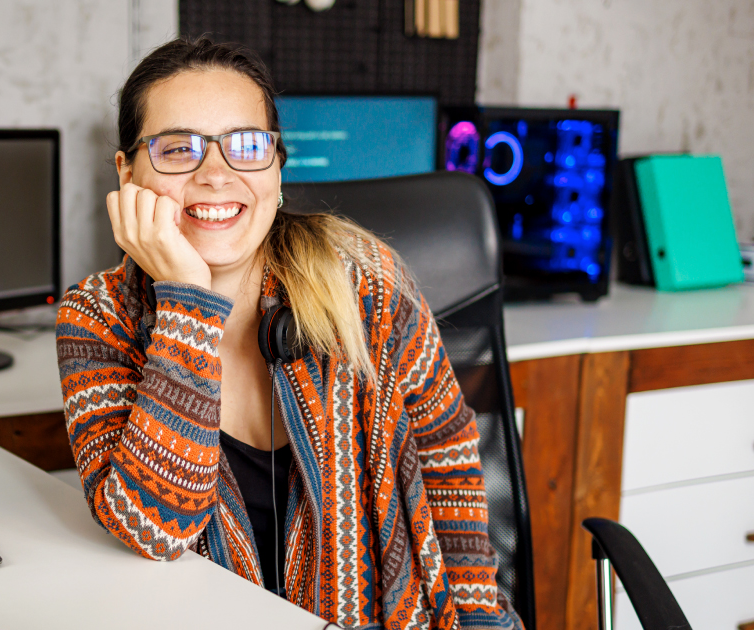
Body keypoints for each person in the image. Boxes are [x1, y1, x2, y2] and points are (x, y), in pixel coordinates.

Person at [56, 36, 522, 629]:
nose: (216, 175)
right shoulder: (98, 317)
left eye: (245, 146)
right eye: (177, 150)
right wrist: (187, 302)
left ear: (276, 167)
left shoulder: (364, 283)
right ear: (127, 172)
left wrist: (480, 621)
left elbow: (450, 467)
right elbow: (151, 528)